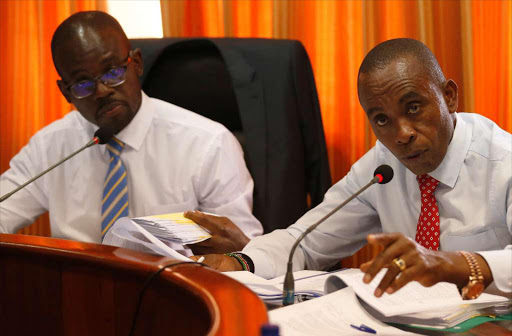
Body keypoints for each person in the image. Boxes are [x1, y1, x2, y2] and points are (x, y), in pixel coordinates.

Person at [187, 38, 512, 298]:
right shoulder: (381, 168)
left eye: (414, 107)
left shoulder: (503, 161)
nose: (402, 135)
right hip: (411, 334)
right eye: (382, 120)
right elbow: (306, 240)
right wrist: (241, 261)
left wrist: (452, 264)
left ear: (449, 96)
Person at [0, 11, 262, 243]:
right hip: (79, 291)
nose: (102, 91)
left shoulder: (208, 143)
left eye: (113, 72)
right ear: (65, 92)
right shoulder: (49, 147)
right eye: (82, 84)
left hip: (177, 291)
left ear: (136, 64)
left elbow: (242, 250)